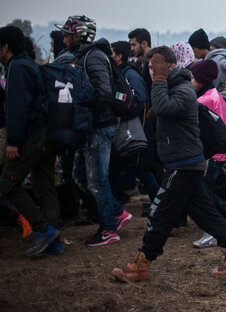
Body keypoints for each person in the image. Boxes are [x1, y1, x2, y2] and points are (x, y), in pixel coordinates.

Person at [112, 46, 226, 282]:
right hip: (184, 163)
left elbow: (164, 107)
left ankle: (141, 265)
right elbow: (160, 109)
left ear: (166, 68)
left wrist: (157, 81)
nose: (150, 71)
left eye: (154, 67)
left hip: (185, 164)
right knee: (206, 215)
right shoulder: (175, 87)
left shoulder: (183, 89)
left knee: (159, 213)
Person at [56, 15, 134, 246]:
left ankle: (109, 230)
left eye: (68, 34)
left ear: (80, 35)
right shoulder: (85, 56)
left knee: (97, 181)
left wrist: (82, 108)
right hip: (92, 126)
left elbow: (104, 93)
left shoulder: (94, 57)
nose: (64, 37)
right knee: (80, 176)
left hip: (100, 126)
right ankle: (117, 213)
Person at [0, 26, 63, 256]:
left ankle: (44, 230)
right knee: (44, 185)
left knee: (7, 184)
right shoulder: (31, 65)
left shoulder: (16, 67)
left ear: (5, 47)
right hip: (47, 135)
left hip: (31, 137)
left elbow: (18, 108)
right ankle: (53, 242)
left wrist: (13, 142)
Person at [189, 59, 226, 248]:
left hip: (213, 153)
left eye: (192, 77)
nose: (189, 80)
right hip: (221, 150)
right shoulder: (214, 94)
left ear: (201, 79)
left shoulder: (203, 100)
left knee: (203, 191)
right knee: (213, 186)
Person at [110, 41, 160, 204]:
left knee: (143, 170)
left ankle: (161, 205)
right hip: (129, 133)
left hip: (138, 132)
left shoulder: (131, 75)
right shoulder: (120, 74)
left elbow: (139, 100)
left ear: (118, 56)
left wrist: (120, 109)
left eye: (111, 54)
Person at [128, 28, 153, 93]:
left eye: (134, 45)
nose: (132, 48)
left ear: (144, 44)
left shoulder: (154, 63)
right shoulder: (143, 62)